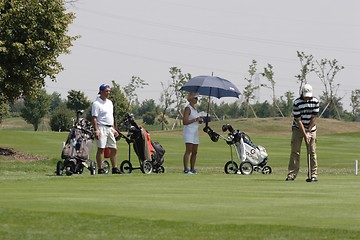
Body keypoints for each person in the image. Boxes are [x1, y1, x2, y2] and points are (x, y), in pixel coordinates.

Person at [286, 83, 320, 182]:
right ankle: (292, 174)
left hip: (311, 128)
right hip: (298, 128)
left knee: (312, 152)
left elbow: (314, 117)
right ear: (302, 93)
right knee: (295, 151)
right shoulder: (297, 103)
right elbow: (298, 120)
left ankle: (313, 175)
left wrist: (309, 131)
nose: (307, 98)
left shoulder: (315, 102)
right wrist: (305, 134)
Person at [91, 84, 122, 174]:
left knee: (114, 148)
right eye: (106, 91)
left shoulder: (110, 103)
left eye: (109, 91)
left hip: (109, 128)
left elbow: (110, 117)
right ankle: (100, 169)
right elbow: (94, 118)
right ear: (101, 91)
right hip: (101, 127)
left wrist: (114, 129)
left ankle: (114, 168)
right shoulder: (96, 103)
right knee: (101, 148)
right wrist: (96, 130)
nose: (108, 93)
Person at [182, 92, 203, 174]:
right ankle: (186, 169)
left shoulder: (195, 109)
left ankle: (192, 168)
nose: (197, 100)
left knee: (195, 151)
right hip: (189, 131)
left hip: (195, 132)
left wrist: (200, 120)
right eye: (195, 98)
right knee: (188, 150)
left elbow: (196, 120)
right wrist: (195, 120)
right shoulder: (188, 108)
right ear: (190, 99)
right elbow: (185, 121)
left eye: (197, 98)